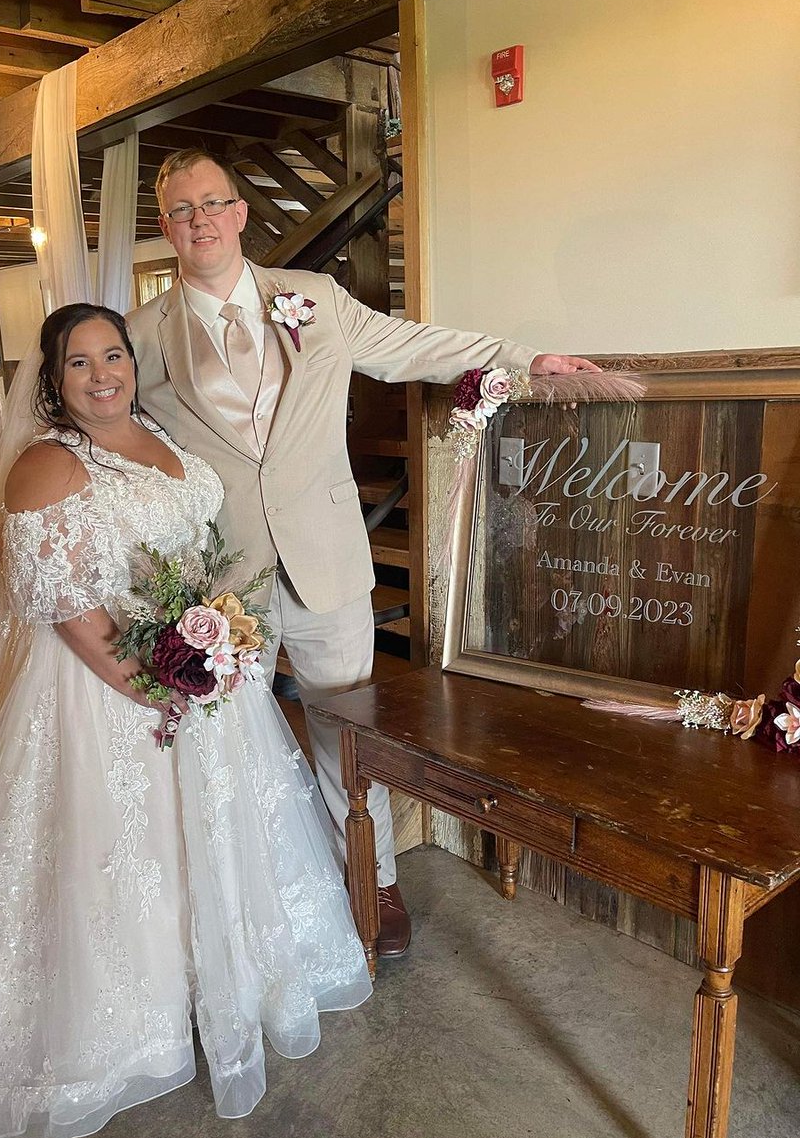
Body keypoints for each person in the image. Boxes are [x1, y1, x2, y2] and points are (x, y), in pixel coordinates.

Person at [0, 304, 371, 1138]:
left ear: (132, 362)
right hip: (112, 696)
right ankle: (140, 1015)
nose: (101, 375)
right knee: (117, 854)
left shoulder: (159, 434)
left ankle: (227, 980)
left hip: (198, 676)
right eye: (79, 363)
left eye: (113, 355)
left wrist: (215, 648)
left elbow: (197, 548)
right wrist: (155, 685)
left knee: (217, 837)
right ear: (52, 382)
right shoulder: (47, 466)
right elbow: (68, 610)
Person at [127, 149, 600, 956]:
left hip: (328, 561)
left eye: (213, 203)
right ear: (167, 228)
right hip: (218, 581)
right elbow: (105, 427)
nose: (200, 220)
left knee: (346, 731)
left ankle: (371, 878)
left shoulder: (313, 300)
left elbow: (411, 345)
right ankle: (244, 891)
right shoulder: (140, 335)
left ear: (240, 213)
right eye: (181, 210)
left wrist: (521, 358)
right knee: (224, 740)